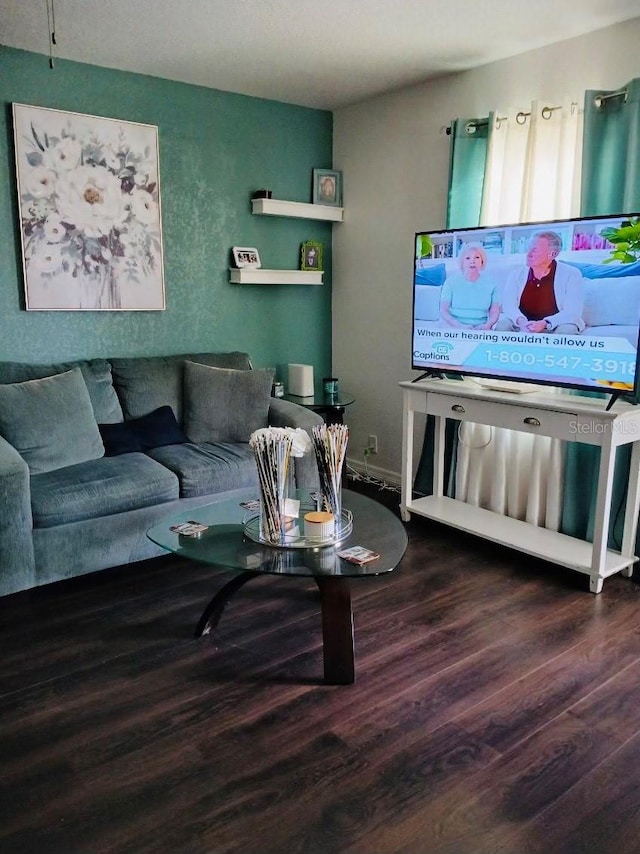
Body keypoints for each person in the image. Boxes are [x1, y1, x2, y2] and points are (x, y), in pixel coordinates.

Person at [496, 231, 585, 333]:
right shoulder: (515, 275)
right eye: (529, 249)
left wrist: (545, 323)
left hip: (556, 325)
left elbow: (572, 312)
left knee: (567, 330)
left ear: (552, 254)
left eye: (535, 250)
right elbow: (509, 305)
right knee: (503, 325)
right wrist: (521, 322)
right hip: (523, 324)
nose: (528, 254)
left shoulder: (572, 274)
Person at [439, 242, 500, 329]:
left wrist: (487, 325)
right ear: (462, 262)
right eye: (468, 258)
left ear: (482, 261)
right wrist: (459, 326)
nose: (472, 261)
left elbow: (495, 312)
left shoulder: (492, 283)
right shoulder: (450, 282)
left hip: (481, 327)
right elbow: (443, 310)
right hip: (454, 326)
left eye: (477, 257)